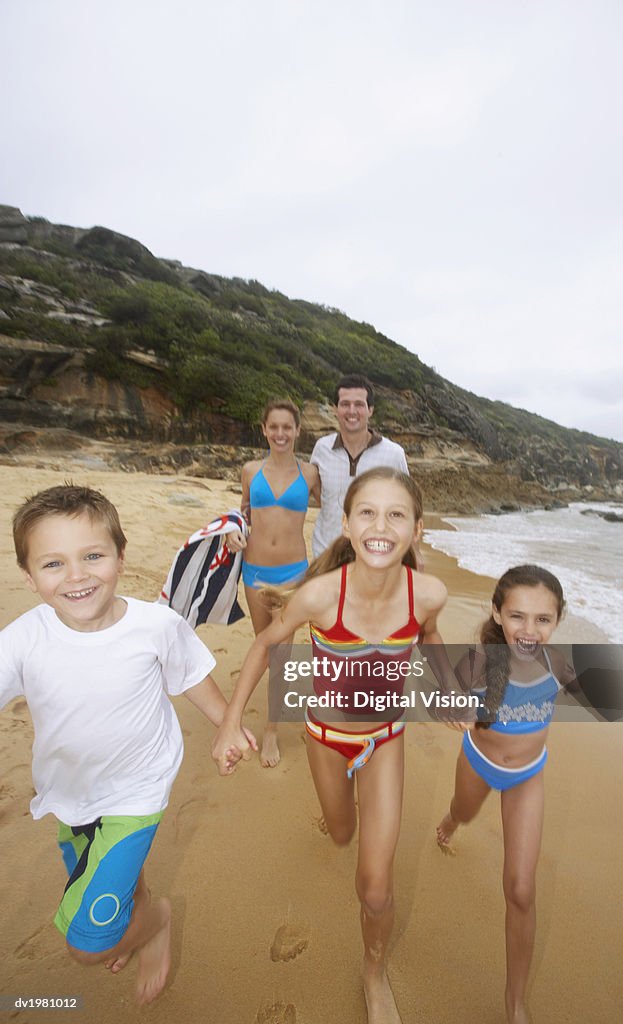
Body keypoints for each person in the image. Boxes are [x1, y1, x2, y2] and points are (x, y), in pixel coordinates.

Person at [213, 468, 448, 1024]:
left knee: (374, 888)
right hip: (325, 739)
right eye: (367, 512)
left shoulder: (428, 595)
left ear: (417, 529)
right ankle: (342, 811)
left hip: (386, 743)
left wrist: (454, 690)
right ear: (345, 523)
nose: (381, 526)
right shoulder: (319, 596)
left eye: (397, 515)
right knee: (342, 833)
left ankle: (373, 971)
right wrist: (229, 723)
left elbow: (432, 637)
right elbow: (265, 647)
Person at [0, 485, 235, 1006]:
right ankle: (142, 915)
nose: (77, 576)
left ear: (120, 557)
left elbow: (191, 674)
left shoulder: (153, 626)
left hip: (138, 791)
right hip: (70, 796)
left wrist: (226, 726)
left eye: (92, 556)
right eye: (54, 563)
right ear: (29, 576)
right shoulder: (23, 637)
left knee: (87, 945)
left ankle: (157, 920)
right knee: (119, 879)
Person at [435, 565, 580, 1024]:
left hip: (527, 779)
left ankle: (514, 1003)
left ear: (557, 621)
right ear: (497, 613)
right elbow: (444, 697)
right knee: (464, 810)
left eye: (543, 619)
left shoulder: (557, 664)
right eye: (517, 616)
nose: (529, 630)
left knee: (520, 889)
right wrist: (449, 707)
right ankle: (451, 821)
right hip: (479, 765)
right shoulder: (479, 661)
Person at [224, 398, 320, 767]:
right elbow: (243, 511)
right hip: (255, 571)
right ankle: (235, 714)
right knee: (262, 648)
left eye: (287, 427)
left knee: (280, 655)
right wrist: (233, 531)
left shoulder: (310, 473)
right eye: (274, 427)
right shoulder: (250, 470)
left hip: (294, 574)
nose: (281, 433)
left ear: (297, 431)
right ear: (264, 430)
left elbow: (340, 507)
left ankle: (271, 731)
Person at [311, 374, 408, 559]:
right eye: (345, 404)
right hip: (325, 557)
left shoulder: (394, 454)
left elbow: (408, 507)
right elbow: (317, 493)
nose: (352, 411)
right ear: (335, 408)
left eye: (359, 404)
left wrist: (414, 552)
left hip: (374, 559)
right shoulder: (322, 448)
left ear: (370, 410)